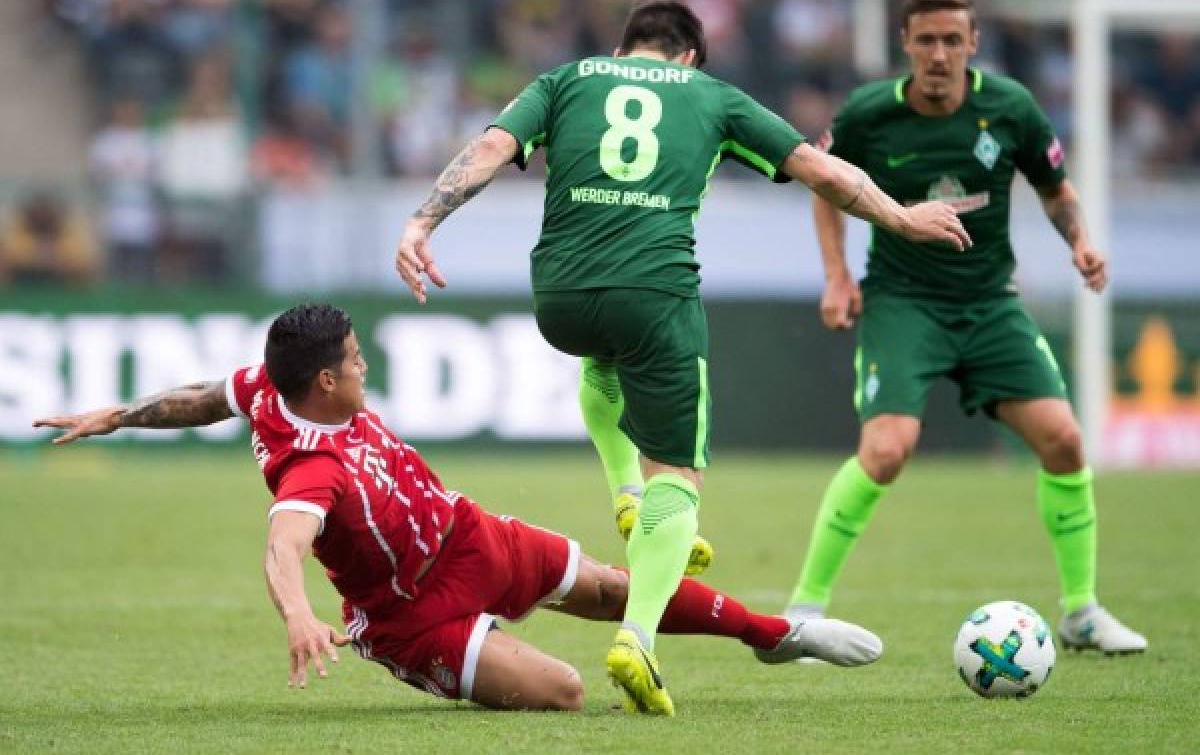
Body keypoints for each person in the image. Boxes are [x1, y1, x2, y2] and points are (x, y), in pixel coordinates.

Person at [393, 0, 970, 713]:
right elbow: (825, 173)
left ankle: (625, 495)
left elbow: (485, 152)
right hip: (655, 295)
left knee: (600, 357)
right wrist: (902, 217)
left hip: (560, 297)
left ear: (625, 45)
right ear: (691, 55)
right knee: (682, 480)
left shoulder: (565, 79)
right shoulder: (713, 95)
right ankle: (638, 634)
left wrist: (422, 222)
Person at [34, 303, 883, 715]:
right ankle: (476, 654)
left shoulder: (265, 385)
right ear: (324, 382)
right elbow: (284, 550)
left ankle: (777, 634)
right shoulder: (310, 469)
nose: (367, 370)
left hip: (464, 533)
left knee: (614, 591)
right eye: (359, 363)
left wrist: (118, 414)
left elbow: (201, 397)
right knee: (564, 692)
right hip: (410, 614)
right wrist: (299, 617)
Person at [779, 0, 1146, 655]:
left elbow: (1055, 189)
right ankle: (804, 609)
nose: (940, 53)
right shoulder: (867, 114)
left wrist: (1082, 242)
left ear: (973, 44)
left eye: (953, 40)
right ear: (906, 45)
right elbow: (823, 187)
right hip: (903, 303)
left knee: (1064, 440)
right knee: (887, 451)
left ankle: (1081, 611)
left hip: (989, 304)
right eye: (927, 40)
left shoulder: (1010, 108)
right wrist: (836, 275)